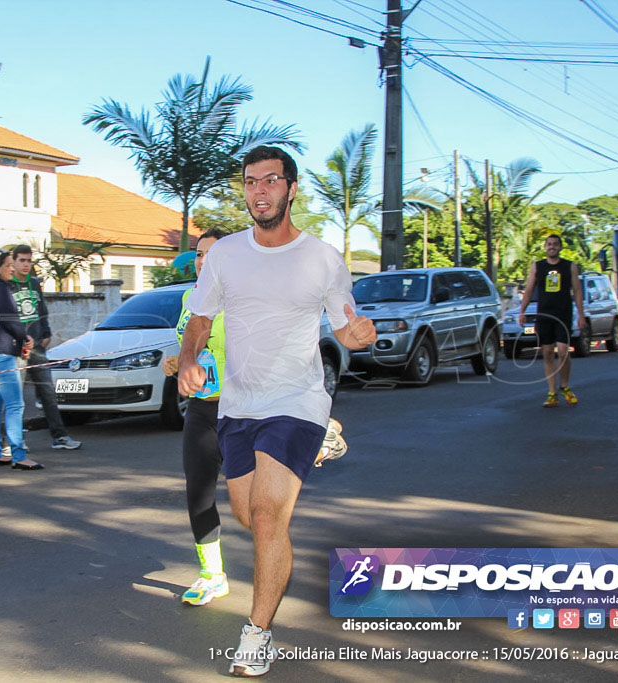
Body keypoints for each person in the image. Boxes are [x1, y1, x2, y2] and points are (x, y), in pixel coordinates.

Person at [178, 147, 376, 677]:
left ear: (291, 189)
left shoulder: (322, 258)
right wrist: (190, 359)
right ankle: (325, 440)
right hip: (237, 404)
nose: (259, 191)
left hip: (297, 399)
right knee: (248, 515)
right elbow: (199, 318)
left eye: (270, 181)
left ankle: (257, 633)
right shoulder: (225, 255)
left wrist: (356, 335)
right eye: (250, 182)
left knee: (267, 517)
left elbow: (345, 325)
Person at [161, 229, 229, 606]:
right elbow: (188, 346)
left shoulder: (244, 299)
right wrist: (177, 363)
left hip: (241, 408)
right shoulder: (190, 298)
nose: (203, 262)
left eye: (213, 255)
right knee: (199, 491)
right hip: (202, 408)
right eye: (200, 255)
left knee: (254, 499)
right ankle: (211, 574)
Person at [10, 244, 81, 450]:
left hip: (38, 347)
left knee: (48, 393)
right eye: (21, 260)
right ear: (13, 262)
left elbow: (42, 310)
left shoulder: (34, 283)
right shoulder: (7, 285)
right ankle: (16, 441)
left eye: (28, 261)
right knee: (15, 397)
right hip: (16, 349)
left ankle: (59, 436)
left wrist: (47, 334)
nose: (25, 264)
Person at [0, 250, 39, 469]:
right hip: (1, 354)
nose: (12, 268)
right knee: (15, 405)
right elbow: (11, 321)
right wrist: (26, 338)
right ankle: (19, 456)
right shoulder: (0, 289)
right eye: (9, 264)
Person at [518, 234, 586, 407]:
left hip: (563, 313)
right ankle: (552, 392)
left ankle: (565, 386)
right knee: (547, 352)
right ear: (545, 247)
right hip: (544, 314)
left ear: (560, 247)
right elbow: (529, 289)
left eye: (555, 244)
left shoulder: (569, 266)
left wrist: (581, 314)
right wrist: (522, 311)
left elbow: (577, 290)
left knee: (563, 351)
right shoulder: (538, 266)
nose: (552, 247)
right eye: (549, 244)